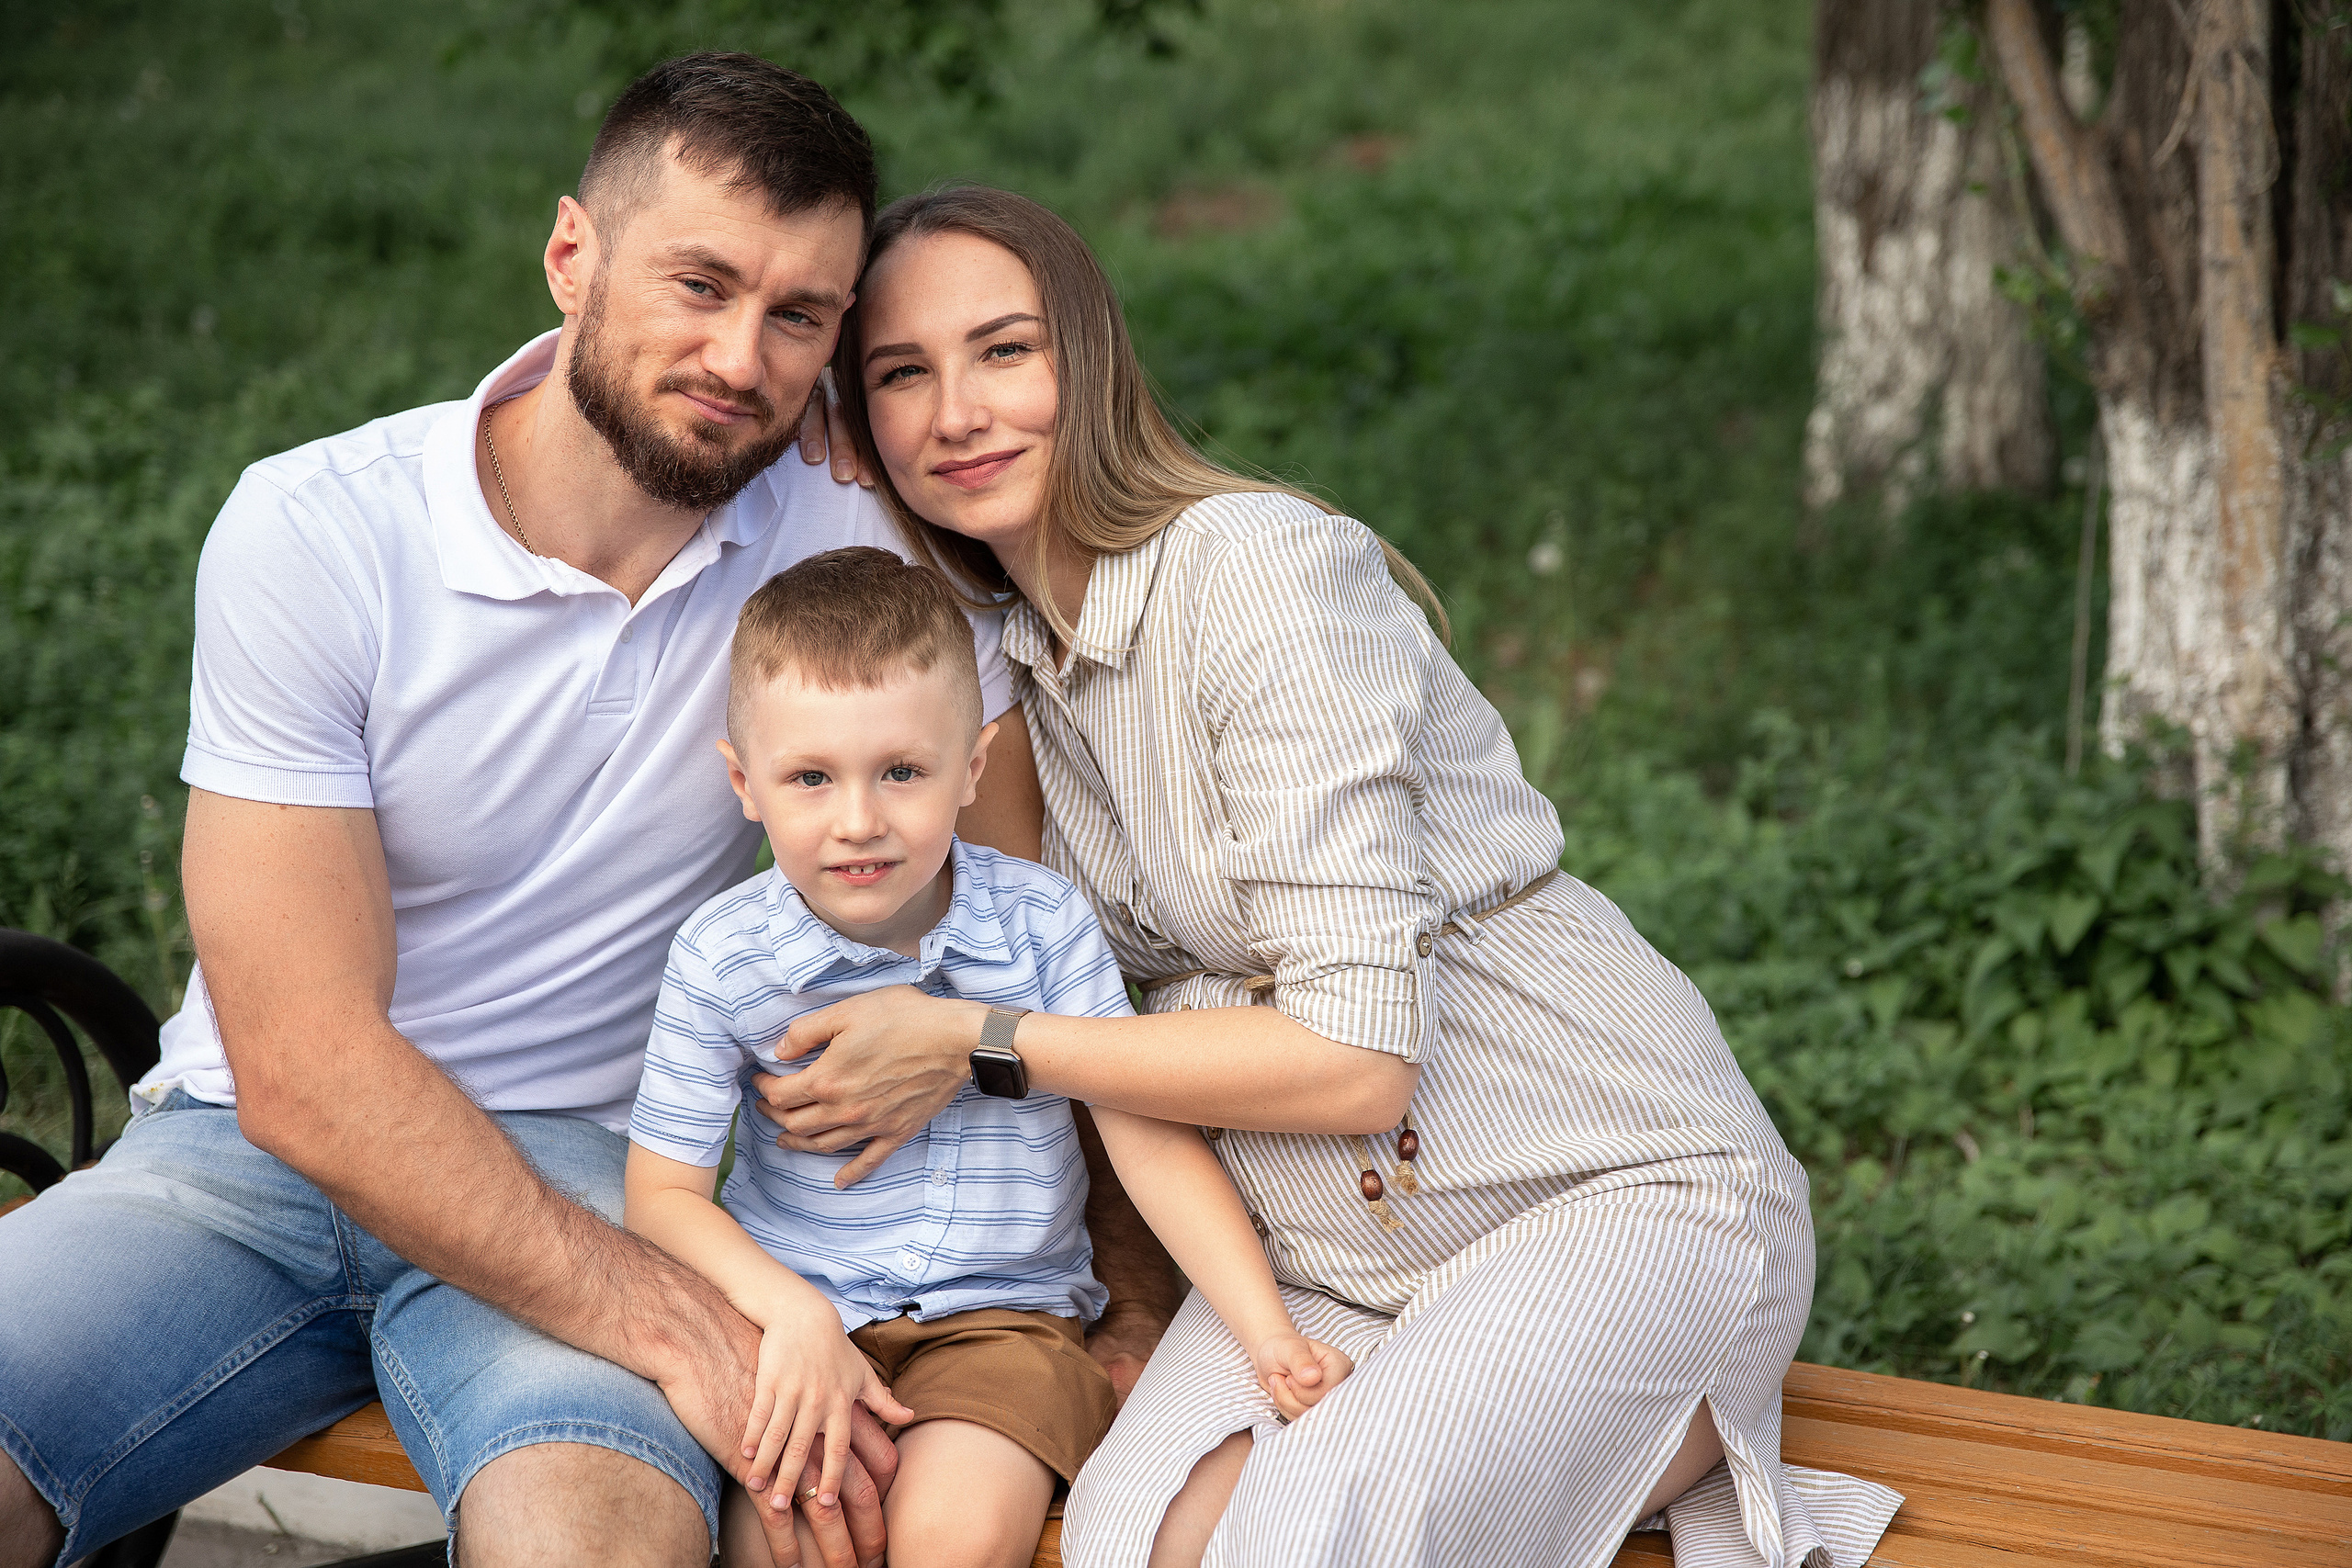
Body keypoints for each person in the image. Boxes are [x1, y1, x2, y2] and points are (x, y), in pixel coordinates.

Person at [0, 62, 1175, 1568]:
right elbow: (302, 1061)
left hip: (601, 1161)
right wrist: (670, 1317)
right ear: (571, 255)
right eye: (700, 283)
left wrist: (1127, 1296)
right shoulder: (319, 530)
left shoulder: (860, 535)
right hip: (241, 1158)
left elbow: (1014, 932)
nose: (739, 356)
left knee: (598, 1545)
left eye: (799, 316)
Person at [736, 184, 1912, 1568]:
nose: (957, 413)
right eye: (899, 376)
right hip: (1319, 1255)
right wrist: (1104, 1305)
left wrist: (982, 1045)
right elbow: (997, 969)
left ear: (1092, 361)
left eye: (1006, 349)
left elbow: (1357, 1059)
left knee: (1313, 1536)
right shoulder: (1004, 670)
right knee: (1126, 1529)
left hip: (1609, 1185)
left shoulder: (1258, 574)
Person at [625, 547, 1353, 1568]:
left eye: (902, 772)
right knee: (782, 1537)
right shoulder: (723, 957)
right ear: (745, 783)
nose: (858, 821)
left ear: (972, 766)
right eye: (810, 778)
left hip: (1002, 1325)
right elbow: (662, 1195)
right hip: (796, 1321)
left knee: (949, 1539)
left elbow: (1144, 1142)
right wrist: (790, 1315)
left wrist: (1265, 1331)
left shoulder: (1042, 926)